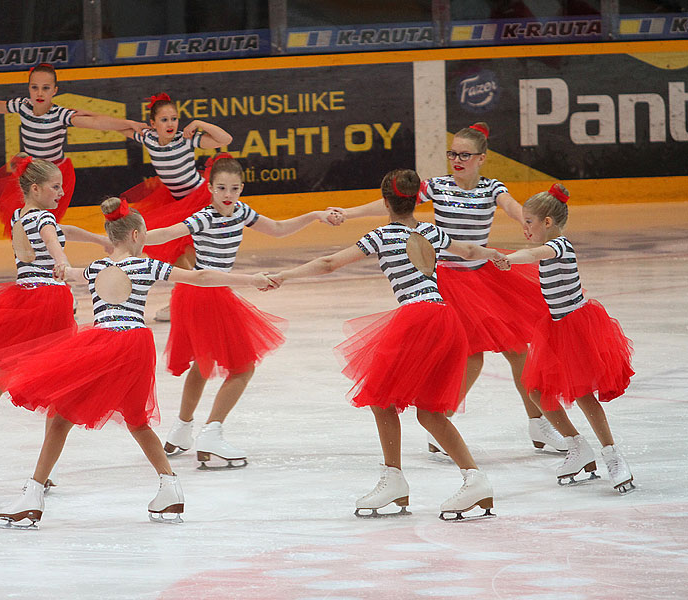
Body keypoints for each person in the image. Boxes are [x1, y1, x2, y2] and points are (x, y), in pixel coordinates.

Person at [0, 197, 275, 528]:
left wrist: (59, 269)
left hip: (102, 346)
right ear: (138, 236)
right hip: (136, 346)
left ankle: (33, 495)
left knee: (61, 417)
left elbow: (68, 271)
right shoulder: (145, 266)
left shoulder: (96, 267)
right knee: (136, 421)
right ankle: (170, 488)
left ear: (112, 237)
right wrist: (251, 280)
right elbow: (201, 277)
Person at [269, 169, 504, 520]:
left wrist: (283, 275)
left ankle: (394, 478)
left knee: (380, 398)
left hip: (417, 318)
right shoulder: (430, 230)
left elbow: (330, 262)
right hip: (446, 318)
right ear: (414, 200)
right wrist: (495, 254)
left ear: (385, 201)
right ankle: (475, 479)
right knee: (430, 412)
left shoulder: (381, 235)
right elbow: (469, 249)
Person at [334, 122, 566, 454]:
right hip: (448, 281)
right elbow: (390, 202)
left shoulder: (492, 188)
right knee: (472, 357)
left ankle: (538, 423)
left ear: (482, 158)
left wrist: (532, 220)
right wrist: (349, 212)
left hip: (486, 278)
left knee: (518, 352)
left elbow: (516, 209)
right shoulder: (438, 186)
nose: (457, 160)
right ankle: (440, 421)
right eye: (452, 153)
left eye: (464, 155)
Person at [146, 155, 342, 470]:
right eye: (221, 187)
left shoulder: (241, 212)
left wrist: (315, 214)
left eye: (234, 188)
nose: (227, 194)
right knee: (243, 368)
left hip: (201, 293)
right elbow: (169, 232)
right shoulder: (204, 217)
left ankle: (181, 431)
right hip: (206, 293)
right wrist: (130, 238)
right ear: (209, 188)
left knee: (203, 364)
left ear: (241, 189)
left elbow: (277, 229)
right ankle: (211, 434)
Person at [0, 155, 109, 489]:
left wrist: (97, 239)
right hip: (49, 304)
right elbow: (54, 242)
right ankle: (48, 469)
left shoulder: (21, 214)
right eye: (55, 187)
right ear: (35, 187)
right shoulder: (43, 219)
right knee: (59, 389)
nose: (61, 193)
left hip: (24, 302)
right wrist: (66, 264)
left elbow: (60, 231)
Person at [495, 184, 635, 493]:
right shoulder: (551, 244)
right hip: (556, 328)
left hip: (577, 328)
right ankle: (577, 446)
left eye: (529, 222)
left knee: (584, 395)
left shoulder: (560, 245)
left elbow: (536, 253)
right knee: (536, 391)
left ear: (547, 222)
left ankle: (612, 454)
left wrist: (510, 259)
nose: (524, 227)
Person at [0, 64, 146, 236]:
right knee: (26, 223)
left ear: (54, 90)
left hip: (53, 174)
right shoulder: (22, 106)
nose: (40, 93)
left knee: (45, 223)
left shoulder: (59, 114)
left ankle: (60, 249)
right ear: (29, 88)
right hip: (31, 172)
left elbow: (96, 123)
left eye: (46, 88)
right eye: (35, 87)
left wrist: (130, 123)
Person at [116, 92, 233, 321]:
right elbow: (116, 128)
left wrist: (199, 123)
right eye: (164, 120)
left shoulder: (185, 139)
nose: (170, 124)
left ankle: (215, 296)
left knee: (196, 253)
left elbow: (225, 140)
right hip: (172, 202)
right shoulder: (148, 138)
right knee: (174, 254)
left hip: (197, 200)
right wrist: (130, 124)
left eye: (174, 119)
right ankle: (182, 299)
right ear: (153, 123)